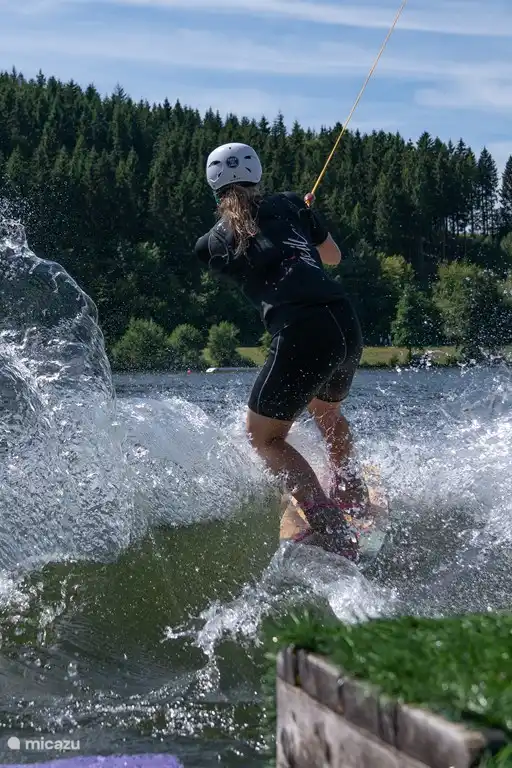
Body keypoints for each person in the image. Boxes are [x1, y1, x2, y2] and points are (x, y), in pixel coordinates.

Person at [195, 142, 365, 561]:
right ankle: (351, 491)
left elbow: (250, 256)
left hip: (302, 330)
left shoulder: (210, 245)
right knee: (327, 413)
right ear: (257, 174)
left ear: (213, 188)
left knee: (265, 437)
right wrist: (303, 215)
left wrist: (294, 218)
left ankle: (331, 527)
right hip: (345, 320)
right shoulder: (290, 204)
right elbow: (333, 257)